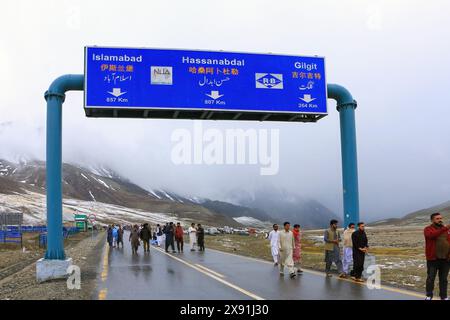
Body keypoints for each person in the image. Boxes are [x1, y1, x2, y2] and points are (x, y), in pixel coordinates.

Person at [424, 212, 450, 300]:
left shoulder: (446, 230)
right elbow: (432, 235)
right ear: (432, 220)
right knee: (431, 279)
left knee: (443, 280)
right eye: (437, 219)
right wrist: (445, 228)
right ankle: (429, 296)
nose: (440, 220)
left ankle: (443, 297)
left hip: (445, 259)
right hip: (433, 259)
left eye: (440, 218)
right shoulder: (428, 229)